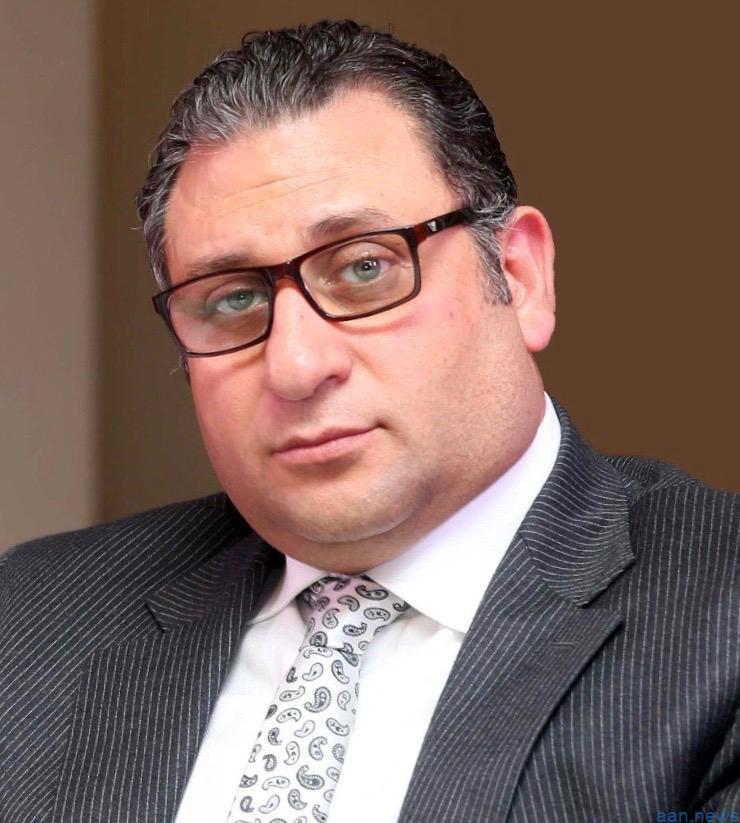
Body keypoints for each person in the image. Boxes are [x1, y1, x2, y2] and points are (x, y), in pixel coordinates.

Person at [1, 19, 738, 823]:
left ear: (519, 275)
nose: (295, 364)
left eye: (363, 267)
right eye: (234, 299)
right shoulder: (30, 617)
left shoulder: (718, 620)